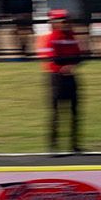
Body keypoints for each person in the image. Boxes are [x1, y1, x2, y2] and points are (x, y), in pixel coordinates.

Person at [39, 9, 83, 155]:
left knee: (75, 112)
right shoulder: (51, 38)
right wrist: (65, 66)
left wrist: (71, 66)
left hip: (70, 77)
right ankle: (53, 146)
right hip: (56, 78)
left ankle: (75, 145)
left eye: (66, 21)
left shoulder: (72, 37)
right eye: (62, 21)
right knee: (56, 113)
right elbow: (52, 58)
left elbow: (79, 56)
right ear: (55, 23)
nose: (65, 24)